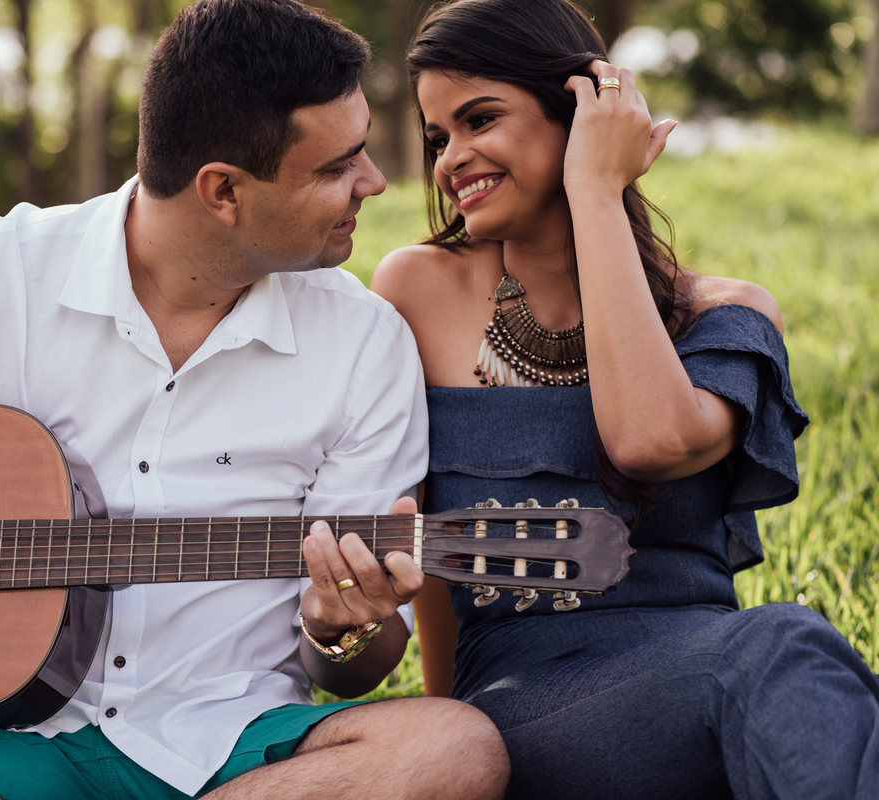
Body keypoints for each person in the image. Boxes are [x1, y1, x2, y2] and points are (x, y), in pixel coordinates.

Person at [0, 1, 509, 798]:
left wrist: (342, 626)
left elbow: (351, 670)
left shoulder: (363, 343)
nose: (374, 180)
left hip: (230, 751)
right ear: (222, 191)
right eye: (336, 166)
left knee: (453, 749)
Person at [371, 0, 879, 798]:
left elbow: (650, 437)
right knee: (783, 643)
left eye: (480, 120)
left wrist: (596, 192)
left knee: (777, 656)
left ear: (582, 113)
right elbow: (428, 549)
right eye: (439, 138)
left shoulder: (724, 315)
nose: (450, 160)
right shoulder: (418, 291)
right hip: (526, 709)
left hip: (705, 690)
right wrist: (453, 748)